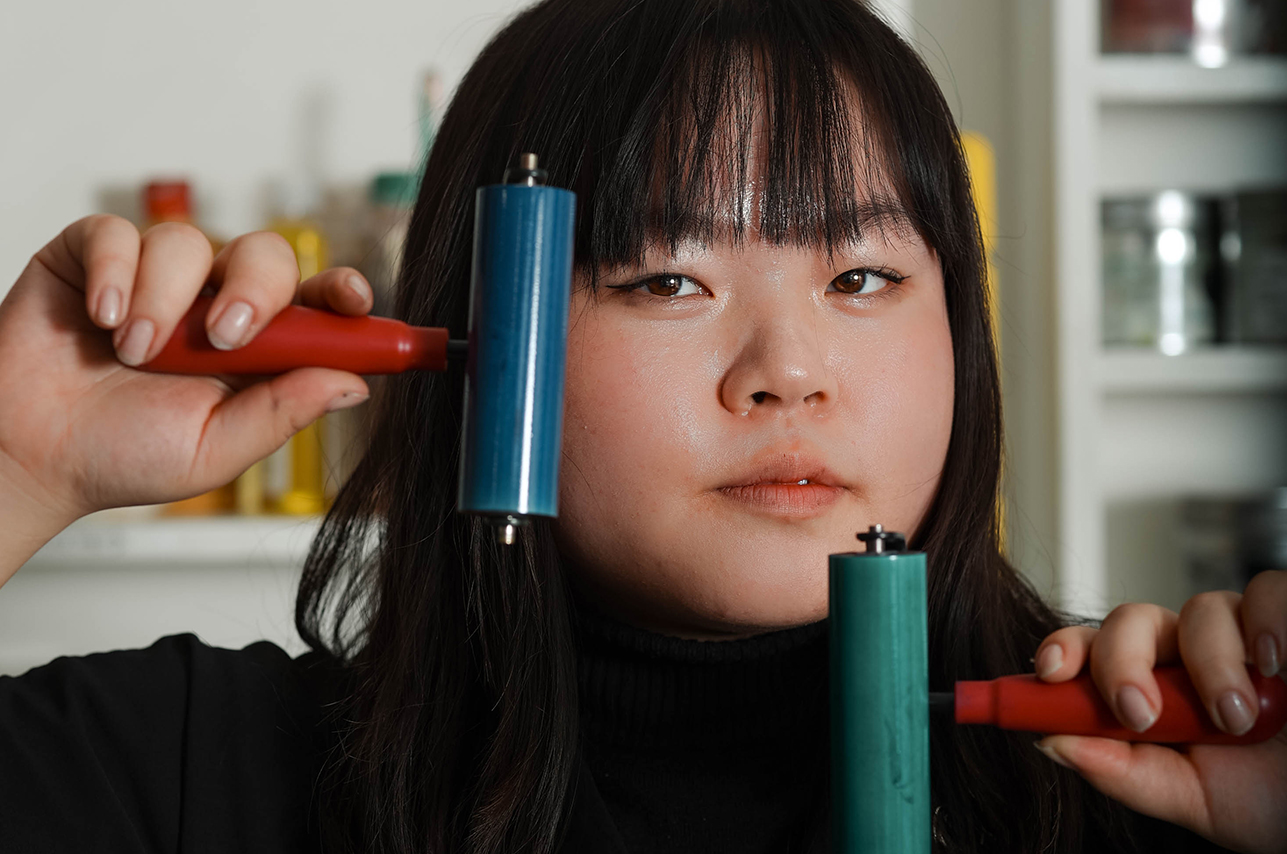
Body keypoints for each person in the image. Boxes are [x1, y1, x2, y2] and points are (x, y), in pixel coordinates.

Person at [0, 1, 1283, 852]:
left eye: (862, 278)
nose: (788, 372)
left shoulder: (1159, 786)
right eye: (667, 279)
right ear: (481, 328)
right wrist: (12, 469)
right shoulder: (185, 777)